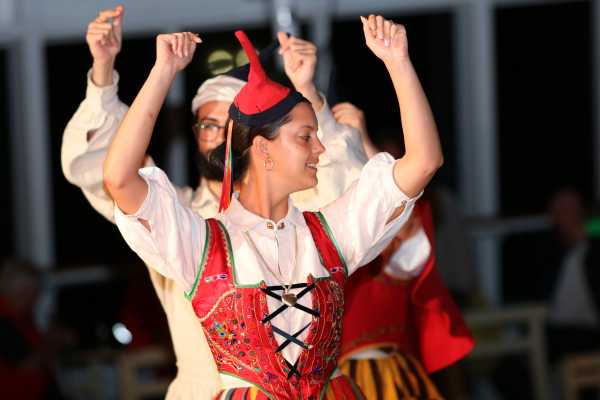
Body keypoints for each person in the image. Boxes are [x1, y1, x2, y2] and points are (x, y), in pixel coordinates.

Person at [102, 13, 443, 398]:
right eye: (305, 137)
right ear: (263, 150)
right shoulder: (203, 243)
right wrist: (163, 72)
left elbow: (424, 162)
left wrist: (398, 61)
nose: (320, 148)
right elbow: (119, 178)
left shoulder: (330, 234)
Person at [62, 6, 367, 398]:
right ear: (195, 133)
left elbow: (351, 186)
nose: (222, 137)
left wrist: (306, 90)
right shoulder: (176, 214)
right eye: (210, 125)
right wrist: (103, 72)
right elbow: (100, 168)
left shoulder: (299, 209)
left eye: (232, 127)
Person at [332, 102, 473, 399]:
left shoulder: (400, 250)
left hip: (384, 377)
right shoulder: (318, 231)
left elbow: (400, 205)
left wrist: (363, 141)